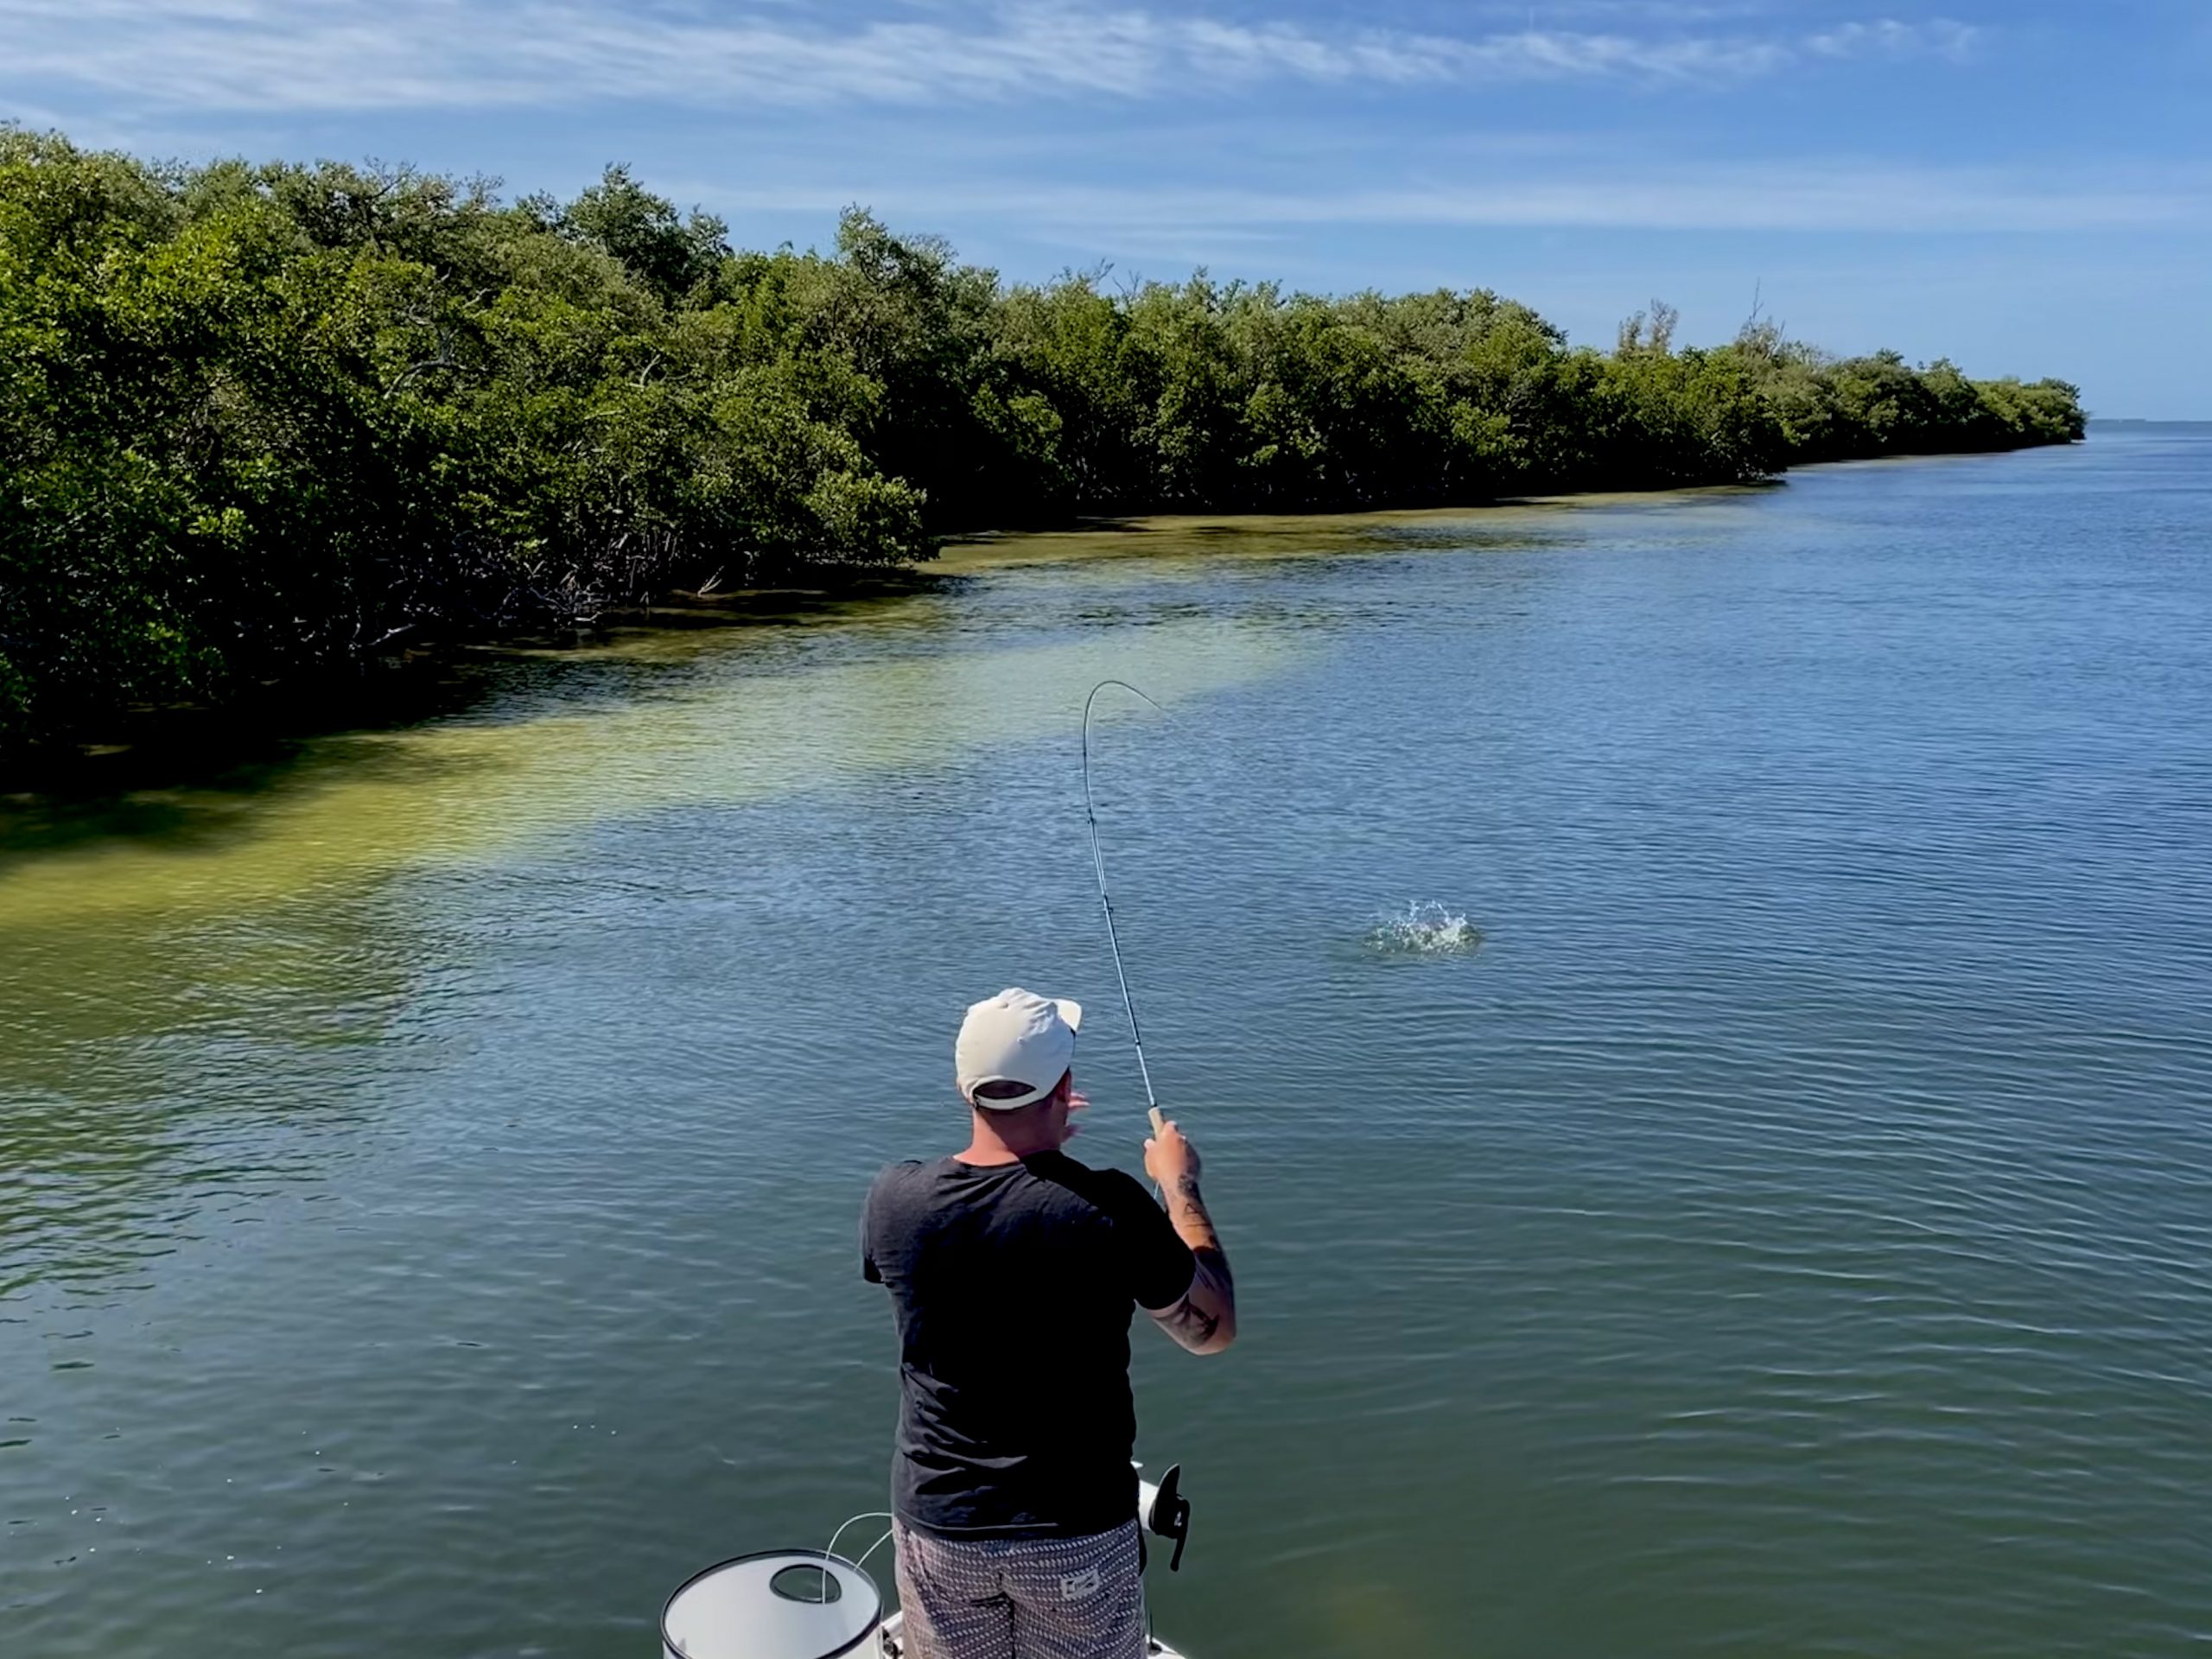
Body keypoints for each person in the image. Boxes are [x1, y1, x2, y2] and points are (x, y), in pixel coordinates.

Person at [861, 988, 1237, 1659]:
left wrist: (1038, 1150)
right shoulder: (1109, 1208)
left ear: (963, 1087)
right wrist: (1179, 1183)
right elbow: (1211, 1330)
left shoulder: (895, 1200)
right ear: (1064, 1087)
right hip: (1073, 1531)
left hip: (942, 1526)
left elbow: (994, 1221)